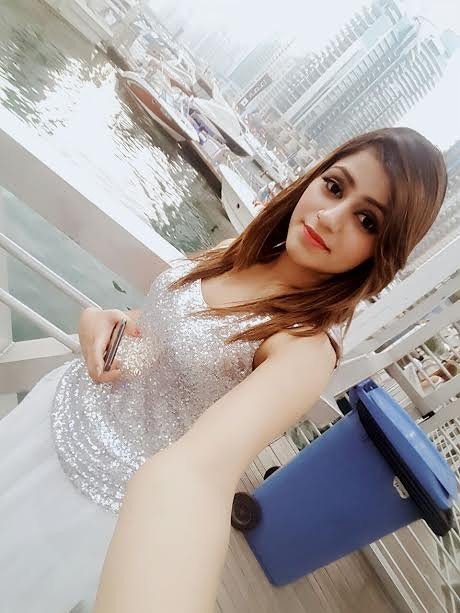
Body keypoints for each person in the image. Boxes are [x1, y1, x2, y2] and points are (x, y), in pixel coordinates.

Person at [0, 128, 447, 613]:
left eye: (366, 220)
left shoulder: (304, 349)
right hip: (54, 416)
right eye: (335, 187)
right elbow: (156, 327)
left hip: (88, 497)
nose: (330, 217)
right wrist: (100, 320)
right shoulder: (239, 251)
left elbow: (201, 473)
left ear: (381, 252)